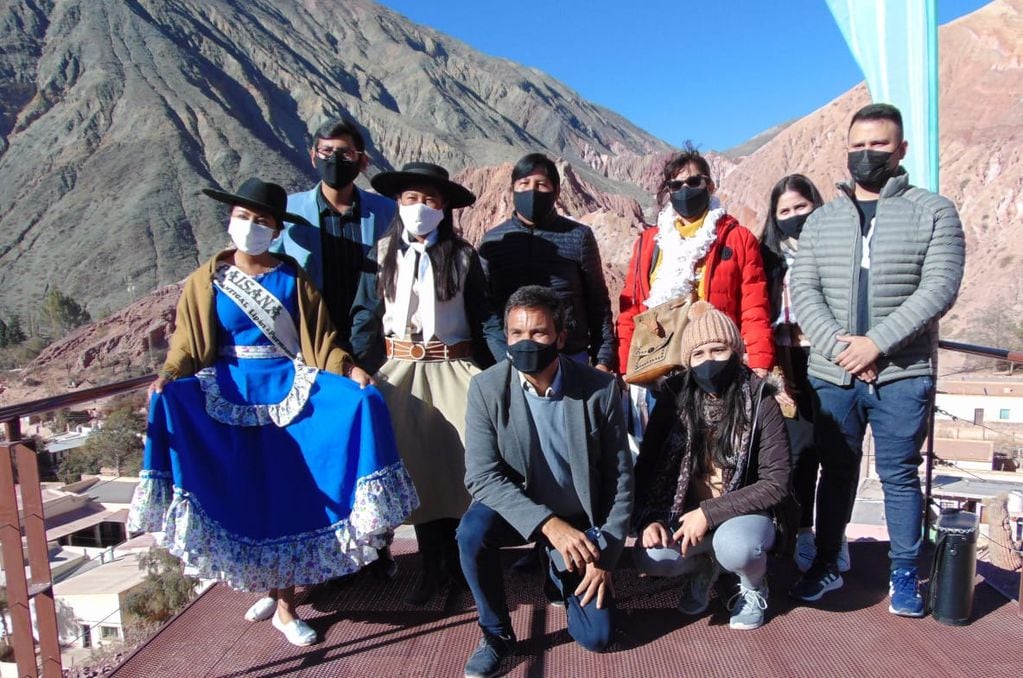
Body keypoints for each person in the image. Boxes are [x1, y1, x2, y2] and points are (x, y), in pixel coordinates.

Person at [128, 178, 417, 646]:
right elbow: (187, 343)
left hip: (287, 392)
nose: (251, 227)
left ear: (276, 229)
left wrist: (349, 371)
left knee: (288, 492)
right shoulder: (208, 278)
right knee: (246, 494)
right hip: (227, 396)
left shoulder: (291, 277)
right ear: (230, 221)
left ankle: (286, 606)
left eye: (261, 221)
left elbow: (320, 339)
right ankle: (266, 584)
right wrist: (169, 375)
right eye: (243, 217)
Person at [789, 103, 965, 617]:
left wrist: (877, 344)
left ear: (901, 150)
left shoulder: (934, 211)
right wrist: (844, 349)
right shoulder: (822, 220)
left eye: (879, 146)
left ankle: (905, 572)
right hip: (833, 373)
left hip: (902, 374)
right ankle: (826, 562)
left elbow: (939, 287)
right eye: (858, 146)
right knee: (836, 473)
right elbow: (805, 290)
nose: (867, 155)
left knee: (899, 474)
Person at [457, 285, 634, 678]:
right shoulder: (486, 388)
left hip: (578, 517)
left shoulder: (598, 389)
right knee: (471, 532)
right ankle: (496, 635)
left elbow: (620, 478)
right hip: (522, 510)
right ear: (506, 336)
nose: (526, 342)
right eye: (517, 333)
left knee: (597, 638)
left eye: (538, 332)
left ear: (560, 336)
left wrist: (605, 556)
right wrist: (548, 526)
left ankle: (556, 570)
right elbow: (482, 476)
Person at [350, 162, 504, 605]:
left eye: (430, 200)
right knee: (413, 470)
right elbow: (365, 316)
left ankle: (461, 567)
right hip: (400, 372)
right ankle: (430, 566)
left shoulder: (463, 256)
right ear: (399, 204)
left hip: (452, 368)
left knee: (459, 471)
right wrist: (353, 366)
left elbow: (485, 317)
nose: (420, 208)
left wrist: (503, 371)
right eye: (411, 199)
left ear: (444, 209)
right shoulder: (379, 255)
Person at [632, 301, 790, 631]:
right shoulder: (673, 397)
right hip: (685, 516)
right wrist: (649, 519)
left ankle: (753, 586)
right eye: (699, 353)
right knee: (651, 557)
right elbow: (647, 466)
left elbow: (776, 482)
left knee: (737, 548)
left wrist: (708, 512)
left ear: (735, 351)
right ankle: (704, 567)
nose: (709, 361)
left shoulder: (761, 399)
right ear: (688, 360)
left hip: (744, 515)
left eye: (718, 349)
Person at [617, 144, 773, 437]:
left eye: (694, 182)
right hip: (662, 368)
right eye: (676, 185)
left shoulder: (737, 239)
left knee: (718, 451)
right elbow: (633, 308)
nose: (685, 190)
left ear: (710, 185)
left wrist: (761, 362)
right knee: (666, 451)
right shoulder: (649, 243)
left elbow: (754, 306)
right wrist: (627, 365)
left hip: (716, 365)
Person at [759, 174, 851, 573]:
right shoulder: (768, 257)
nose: (794, 216)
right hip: (785, 361)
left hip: (829, 356)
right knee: (799, 453)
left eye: (801, 207)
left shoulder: (837, 250)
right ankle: (803, 532)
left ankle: (836, 535)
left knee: (837, 451)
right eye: (785, 211)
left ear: (817, 205)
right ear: (774, 218)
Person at [478, 153, 616, 372]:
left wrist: (603, 360)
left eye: (541, 184)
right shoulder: (494, 241)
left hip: (571, 357)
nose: (532, 190)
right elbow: (486, 309)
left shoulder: (578, 236)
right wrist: (503, 360)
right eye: (524, 183)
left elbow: (598, 302)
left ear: (556, 191)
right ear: (512, 190)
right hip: (512, 359)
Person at [274, 118, 395, 350]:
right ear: (313, 156)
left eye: (346, 153)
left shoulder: (387, 211)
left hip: (373, 340)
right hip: (309, 340)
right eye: (326, 151)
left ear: (363, 161)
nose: (334, 159)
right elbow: (268, 270)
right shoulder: (287, 212)